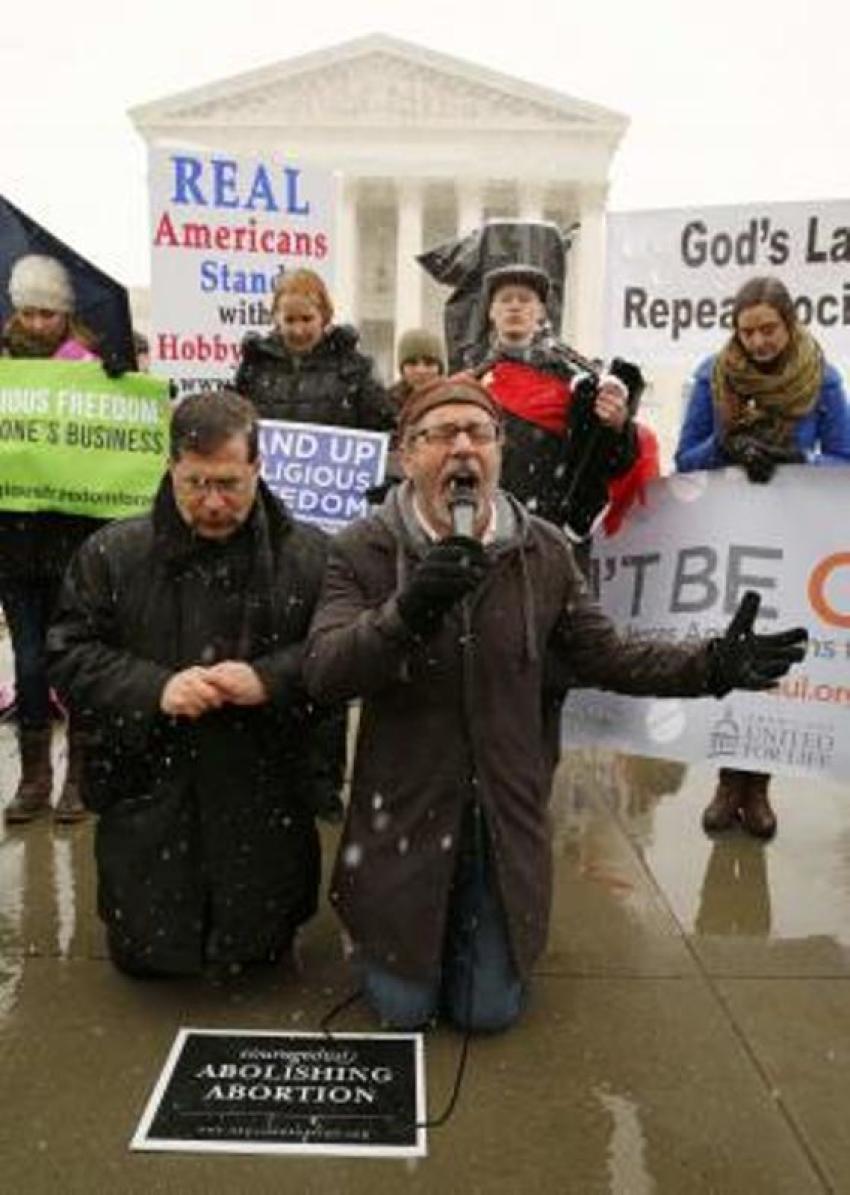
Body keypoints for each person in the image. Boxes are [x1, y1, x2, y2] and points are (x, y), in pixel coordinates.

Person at [304, 375, 807, 1031]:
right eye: (441, 434)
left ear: (499, 449)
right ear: (407, 455)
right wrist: (407, 610)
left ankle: (481, 935)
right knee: (404, 1013)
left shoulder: (543, 550)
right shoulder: (362, 547)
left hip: (502, 804)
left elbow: (609, 654)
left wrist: (710, 664)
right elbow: (324, 671)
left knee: (488, 1013)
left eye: (478, 433)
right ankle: (392, 934)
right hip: (404, 806)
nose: (462, 448)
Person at [47, 391, 329, 978]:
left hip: (263, 784)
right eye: (195, 483)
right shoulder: (112, 554)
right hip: (150, 783)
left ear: (257, 467)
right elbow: (69, 654)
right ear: (171, 467)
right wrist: (155, 689)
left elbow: (340, 656)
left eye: (229, 483)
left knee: (258, 952)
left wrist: (269, 679)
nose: (212, 502)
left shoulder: (310, 556)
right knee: (150, 955)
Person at [675, 275, 850, 840]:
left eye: (768, 329)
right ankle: (729, 781)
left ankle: (760, 786)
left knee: (777, 656)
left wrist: (797, 459)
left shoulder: (821, 378)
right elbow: (686, 458)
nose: (758, 342)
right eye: (747, 331)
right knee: (734, 648)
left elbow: (845, 457)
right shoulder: (713, 375)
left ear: (790, 323)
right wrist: (725, 448)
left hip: (795, 537)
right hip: (733, 535)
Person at [235, 268, 394, 822]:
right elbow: (238, 434)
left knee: (326, 655)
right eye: (289, 318)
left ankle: (324, 782)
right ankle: (272, 773)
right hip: (267, 532)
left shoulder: (354, 371)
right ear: (275, 318)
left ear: (325, 318)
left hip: (331, 537)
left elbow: (386, 434)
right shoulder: (253, 368)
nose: (298, 328)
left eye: (308, 318)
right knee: (268, 652)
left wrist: (374, 482)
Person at [1, 254, 103, 825]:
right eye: (27, 312)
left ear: (64, 315)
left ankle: (79, 776)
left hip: (74, 546)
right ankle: (35, 776)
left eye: (47, 312)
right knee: (31, 663)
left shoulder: (90, 369)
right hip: (12, 547)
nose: (36, 323)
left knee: (76, 661)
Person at [472, 264, 641, 559]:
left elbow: (616, 462)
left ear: (540, 313)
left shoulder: (580, 380)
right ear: (491, 313)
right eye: (505, 299)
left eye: (525, 300)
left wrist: (618, 425)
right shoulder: (471, 383)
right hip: (487, 530)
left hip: (554, 534)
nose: (515, 306)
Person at [389, 327, 446, 416]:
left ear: (440, 368)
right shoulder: (386, 405)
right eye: (412, 363)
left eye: (429, 363)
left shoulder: (456, 401)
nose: (421, 370)